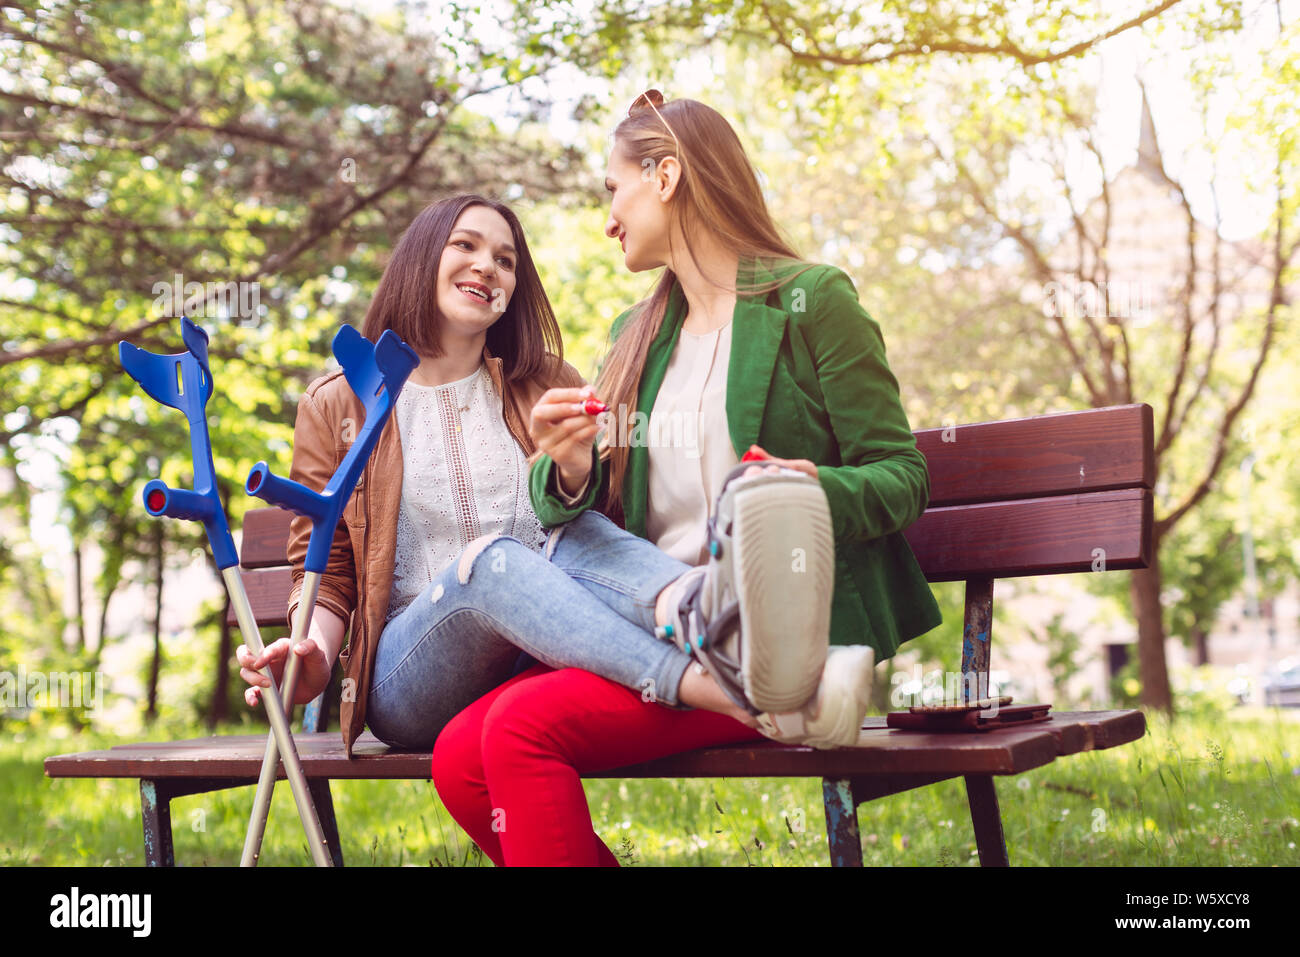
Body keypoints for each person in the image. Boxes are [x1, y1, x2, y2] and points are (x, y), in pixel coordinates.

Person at [426, 93, 943, 865]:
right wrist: (567, 468)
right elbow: (594, 518)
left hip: (775, 634)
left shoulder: (811, 303)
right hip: (654, 629)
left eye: (613, 189)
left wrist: (806, 492)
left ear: (665, 176)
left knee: (518, 730)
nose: (608, 218)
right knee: (456, 756)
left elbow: (902, 477)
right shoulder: (635, 337)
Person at [238, 192, 793, 766]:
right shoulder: (340, 403)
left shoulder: (545, 382)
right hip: (411, 679)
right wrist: (314, 659)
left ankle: (716, 620)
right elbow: (327, 572)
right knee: (492, 561)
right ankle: (714, 687)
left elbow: (596, 530)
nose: (487, 266)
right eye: (466, 245)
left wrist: (577, 469)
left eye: (506, 260)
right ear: (422, 258)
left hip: (547, 649)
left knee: (573, 536)